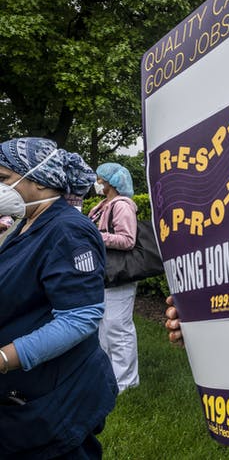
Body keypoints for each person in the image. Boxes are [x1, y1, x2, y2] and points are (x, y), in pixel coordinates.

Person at [0, 137, 117, 459]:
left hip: (56, 395)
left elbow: (80, 316)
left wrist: (5, 357)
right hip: (24, 392)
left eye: (3, 179)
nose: (1, 188)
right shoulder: (26, 223)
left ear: (38, 179)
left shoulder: (68, 230)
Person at [88, 162, 140, 393]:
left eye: (100, 178)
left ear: (110, 181)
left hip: (119, 275)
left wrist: (96, 235)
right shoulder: (102, 205)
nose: (97, 183)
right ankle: (109, 376)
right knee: (104, 327)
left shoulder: (122, 206)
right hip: (103, 274)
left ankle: (127, 383)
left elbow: (127, 240)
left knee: (117, 327)